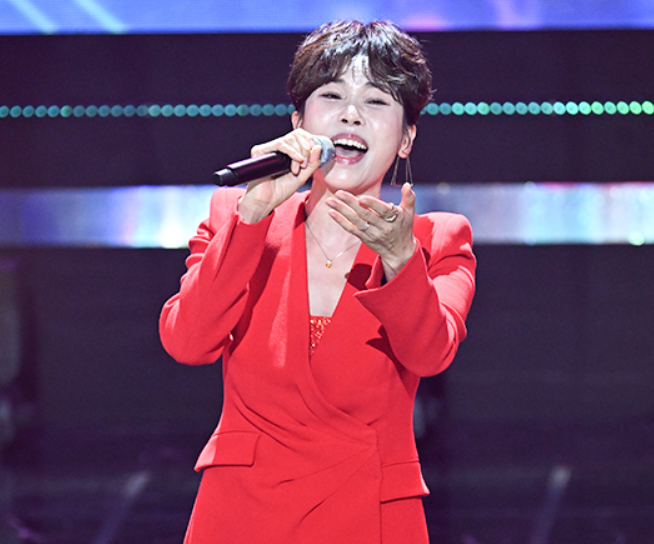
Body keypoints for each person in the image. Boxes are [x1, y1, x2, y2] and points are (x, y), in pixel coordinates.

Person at [159, 20, 476, 544]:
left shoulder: (436, 240)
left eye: (376, 101)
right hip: (241, 513)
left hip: (371, 514)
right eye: (332, 95)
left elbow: (430, 354)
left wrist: (401, 262)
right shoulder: (236, 217)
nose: (351, 113)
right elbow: (187, 342)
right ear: (298, 122)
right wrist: (252, 215)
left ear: (406, 138)